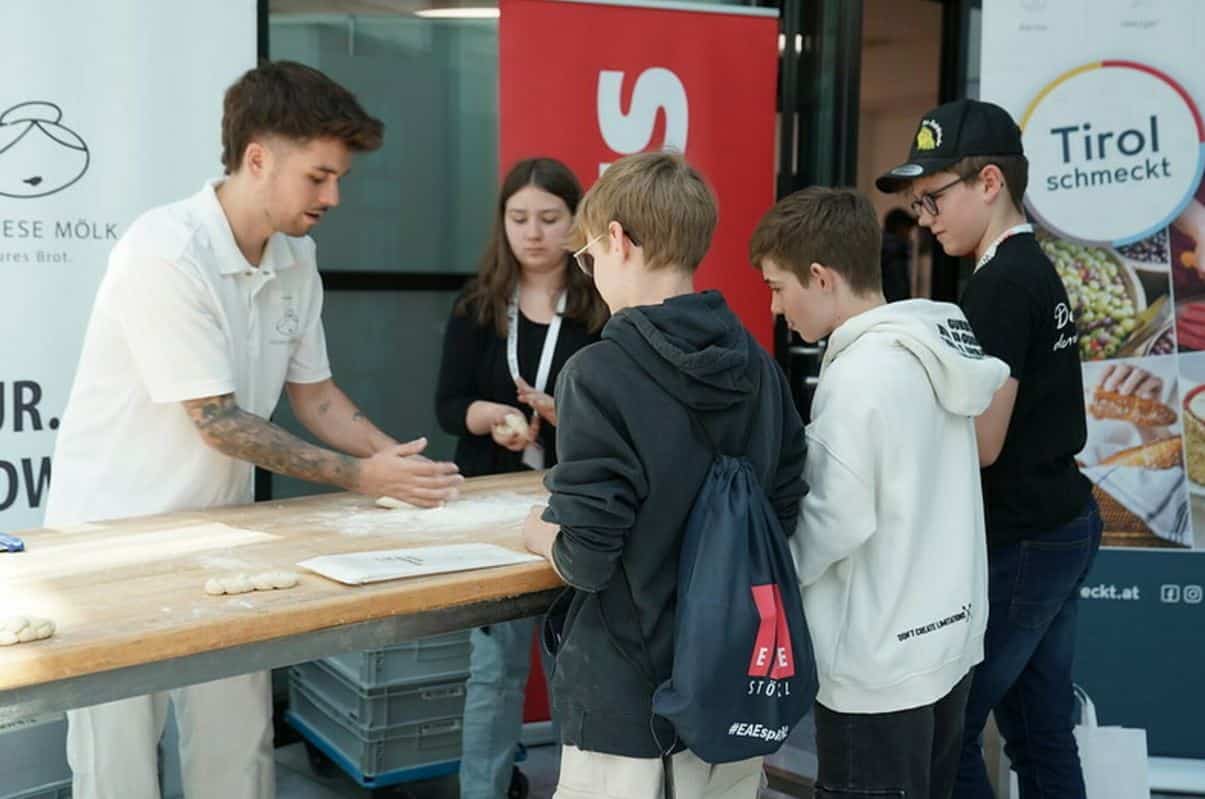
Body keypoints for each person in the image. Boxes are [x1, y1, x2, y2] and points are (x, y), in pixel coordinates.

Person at [43, 61, 462, 799]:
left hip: (223, 538)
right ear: (258, 158)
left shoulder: (297, 255)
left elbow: (317, 396)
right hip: (112, 542)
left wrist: (396, 461)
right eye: (318, 177)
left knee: (237, 756)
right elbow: (218, 421)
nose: (333, 197)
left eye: (339, 179)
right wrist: (362, 477)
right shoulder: (164, 250)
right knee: (119, 769)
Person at [520, 151, 807, 799]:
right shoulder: (760, 368)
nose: (591, 272)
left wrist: (539, 533)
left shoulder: (598, 374)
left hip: (629, 701)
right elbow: (784, 508)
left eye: (588, 256)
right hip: (732, 684)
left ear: (617, 240)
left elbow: (587, 558)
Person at [876, 98, 1103, 799]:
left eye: (934, 197)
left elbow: (981, 441)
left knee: (950, 733)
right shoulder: (1029, 267)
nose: (925, 218)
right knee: (1040, 733)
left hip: (1024, 536)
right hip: (1058, 521)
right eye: (918, 203)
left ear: (989, 183)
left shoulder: (1001, 282)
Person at [752, 186, 1006, 798]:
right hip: (945, 642)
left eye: (778, 287)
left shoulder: (861, 374)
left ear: (821, 277)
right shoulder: (932, 349)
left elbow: (833, 519)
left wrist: (770, 577)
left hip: (877, 663)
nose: (777, 308)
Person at [434, 156, 607, 799]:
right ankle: (484, 788)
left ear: (576, 222)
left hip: (576, 507)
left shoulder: (600, 305)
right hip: (493, 510)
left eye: (549, 218)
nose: (532, 233)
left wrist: (565, 415)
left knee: (580, 669)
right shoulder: (479, 302)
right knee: (494, 669)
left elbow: (618, 417)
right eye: (519, 218)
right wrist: (489, 416)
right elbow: (448, 405)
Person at [880, 207, 917, 302]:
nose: (909, 234)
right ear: (900, 228)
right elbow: (899, 292)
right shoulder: (895, 252)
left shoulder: (884, 248)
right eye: (908, 229)